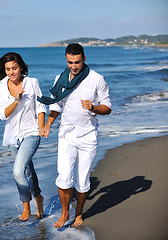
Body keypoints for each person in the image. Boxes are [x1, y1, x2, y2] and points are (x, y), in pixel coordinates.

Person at [38, 43, 112, 228]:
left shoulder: (96, 79)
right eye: (70, 62)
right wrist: (47, 125)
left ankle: (78, 214)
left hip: (88, 136)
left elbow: (108, 107)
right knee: (63, 177)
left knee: (82, 179)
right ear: (66, 59)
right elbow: (56, 105)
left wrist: (93, 107)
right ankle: (65, 214)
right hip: (66, 135)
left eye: (77, 62)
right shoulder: (60, 79)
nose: (74, 66)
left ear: (84, 59)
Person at [0, 52, 46, 221]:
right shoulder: (0, 87)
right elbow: (3, 115)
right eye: (8, 69)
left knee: (17, 171)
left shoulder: (32, 82)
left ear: (21, 67)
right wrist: (15, 100)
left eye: (14, 68)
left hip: (32, 132)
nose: (11, 72)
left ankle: (26, 206)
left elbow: (40, 106)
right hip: (13, 137)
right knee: (28, 171)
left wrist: (42, 127)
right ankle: (39, 199)